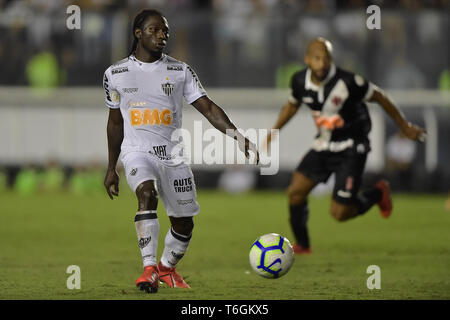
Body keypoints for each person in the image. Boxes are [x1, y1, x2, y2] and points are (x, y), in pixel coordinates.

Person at [102, 9, 258, 293]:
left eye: (165, 32)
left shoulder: (179, 71)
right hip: (137, 152)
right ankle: (148, 269)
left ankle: (165, 268)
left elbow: (208, 107)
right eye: (155, 30)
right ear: (138, 33)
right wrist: (111, 167)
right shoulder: (115, 74)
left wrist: (238, 135)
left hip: (173, 157)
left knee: (184, 224)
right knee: (146, 194)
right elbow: (115, 124)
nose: (162, 36)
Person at [264, 38, 426, 254]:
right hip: (324, 145)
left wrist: (404, 126)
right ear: (307, 60)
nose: (322, 64)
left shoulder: (349, 82)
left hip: (352, 146)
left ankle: (378, 194)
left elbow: (381, 97)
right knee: (295, 192)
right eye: (317, 58)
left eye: (326, 59)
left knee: (340, 213)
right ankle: (303, 245)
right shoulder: (299, 81)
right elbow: (291, 106)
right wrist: (273, 131)